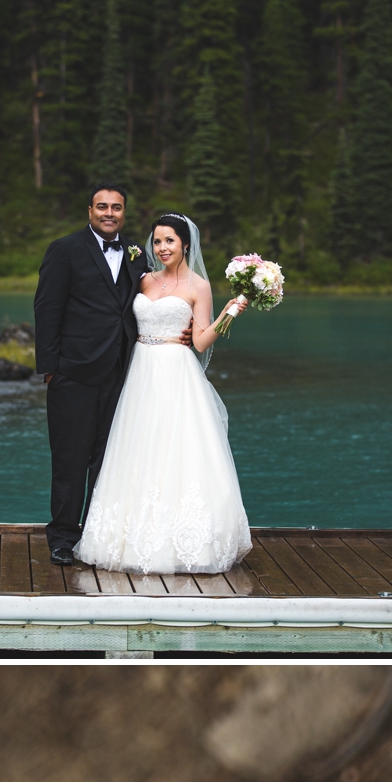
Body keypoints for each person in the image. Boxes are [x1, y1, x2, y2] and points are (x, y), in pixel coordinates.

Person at [74, 213, 252, 575]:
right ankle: (125, 539)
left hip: (176, 371)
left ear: (185, 244)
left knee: (178, 450)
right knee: (137, 448)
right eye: (157, 241)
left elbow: (200, 341)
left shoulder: (198, 286)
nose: (162, 248)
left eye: (169, 240)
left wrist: (231, 312)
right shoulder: (142, 280)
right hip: (141, 371)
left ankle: (187, 542)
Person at [33, 183, 186, 567]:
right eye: (102, 206)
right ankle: (63, 538)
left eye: (116, 208)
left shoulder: (137, 254)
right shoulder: (64, 250)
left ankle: (99, 536)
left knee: (110, 459)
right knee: (69, 459)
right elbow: (47, 309)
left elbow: (159, 293)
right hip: (73, 373)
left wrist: (177, 330)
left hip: (123, 374)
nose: (109, 213)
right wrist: (50, 369)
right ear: (89, 211)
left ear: (123, 212)